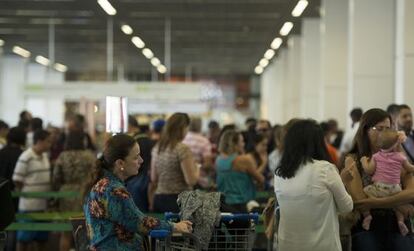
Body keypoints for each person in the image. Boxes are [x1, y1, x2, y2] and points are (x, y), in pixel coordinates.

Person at [83, 134, 192, 250]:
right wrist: (176, 227)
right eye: (136, 157)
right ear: (120, 163)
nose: (141, 160)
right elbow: (140, 223)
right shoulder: (114, 190)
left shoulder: (106, 184)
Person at [274, 119, 353, 251]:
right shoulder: (325, 169)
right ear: (318, 142)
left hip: (287, 245)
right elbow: (346, 207)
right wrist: (343, 181)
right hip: (322, 246)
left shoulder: (279, 173)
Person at [342, 108, 414, 251]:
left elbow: (411, 192)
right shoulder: (354, 160)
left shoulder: (398, 157)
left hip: (399, 226)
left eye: (388, 128)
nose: (385, 133)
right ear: (365, 130)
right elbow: (360, 202)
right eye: (379, 128)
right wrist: (400, 204)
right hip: (367, 227)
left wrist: (376, 202)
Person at [359, 129, 414, 236]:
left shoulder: (376, 157)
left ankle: (367, 216)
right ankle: (400, 221)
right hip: (395, 189)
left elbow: (369, 170)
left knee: (364, 194)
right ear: (396, 144)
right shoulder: (400, 157)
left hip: (379, 188)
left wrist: (363, 161)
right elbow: (410, 168)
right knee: (398, 204)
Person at [53, 131, 96, 251]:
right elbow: (95, 175)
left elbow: (56, 177)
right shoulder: (89, 156)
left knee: (65, 232)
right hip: (85, 193)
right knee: (85, 230)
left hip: (66, 193)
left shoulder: (63, 156)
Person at [12, 130, 53, 251]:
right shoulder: (26, 156)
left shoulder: (45, 156)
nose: (50, 144)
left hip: (43, 206)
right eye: (48, 141)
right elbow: (17, 179)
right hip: (29, 207)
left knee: (41, 239)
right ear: (40, 141)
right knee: (24, 239)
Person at [151, 113, 199, 213]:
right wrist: (197, 168)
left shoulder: (157, 148)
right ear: (182, 128)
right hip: (179, 200)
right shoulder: (182, 149)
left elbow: (154, 178)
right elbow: (191, 181)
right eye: (187, 128)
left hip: (159, 198)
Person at [216, 130, 264, 212]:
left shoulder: (218, 160)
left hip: (222, 204)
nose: (243, 144)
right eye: (241, 141)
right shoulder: (243, 159)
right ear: (235, 144)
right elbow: (261, 179)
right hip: (240, 204)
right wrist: (264, 162)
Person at [126, 116, 155, 212]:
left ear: (129, 125)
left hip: (136, 180)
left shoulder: (133, 142)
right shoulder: (151, 141)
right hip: (150, 180)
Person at [182, 117, 214, 189]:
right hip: (199, 181)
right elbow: (207, 164)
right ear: (200, 126)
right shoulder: (204, 141)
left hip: (183, 179)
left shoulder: (182, 139)